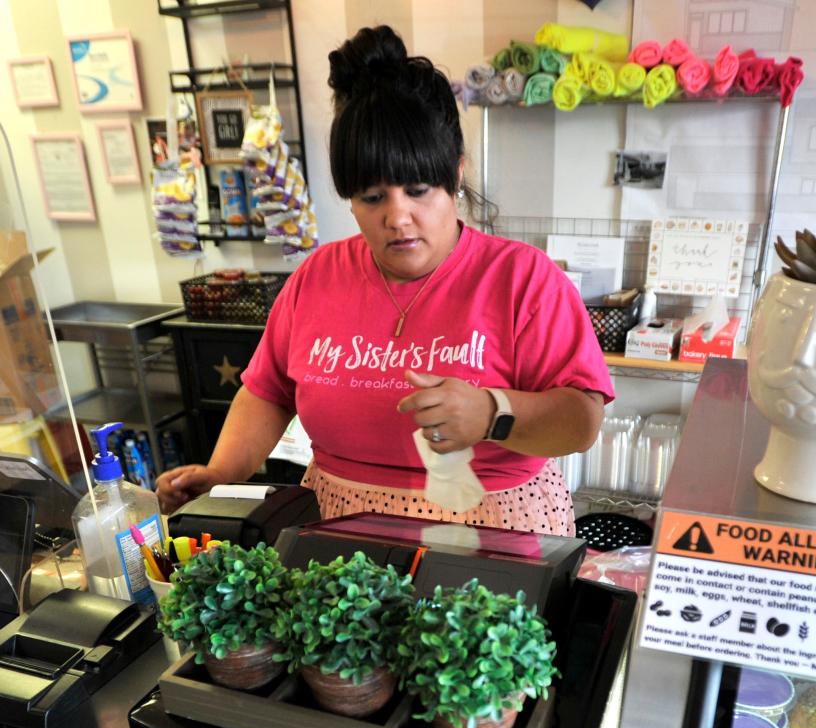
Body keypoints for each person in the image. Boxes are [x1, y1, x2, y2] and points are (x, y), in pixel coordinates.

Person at [157, 25, 614, 536]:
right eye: (373, 198)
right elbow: (268, 391)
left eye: (418, 190)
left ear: (455, 176)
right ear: (350, 198)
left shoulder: (523, 279)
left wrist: (493, 413)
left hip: (492, 529)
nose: (397, 217)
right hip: (338, 526)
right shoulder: (317, 277)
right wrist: (221, 476)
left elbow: (581, 420)